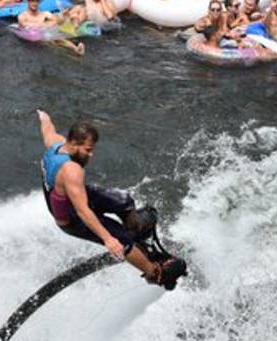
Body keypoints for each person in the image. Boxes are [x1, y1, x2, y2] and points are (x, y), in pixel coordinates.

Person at [37, 110, 184, 289]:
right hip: (71, 218)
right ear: (74, 143)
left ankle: (136, 232)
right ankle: (155, 273)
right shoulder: (71, 170)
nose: (91, 155)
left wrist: (43, 116)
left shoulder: (55, 144)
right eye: (88, 150)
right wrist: (108, 239)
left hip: (73, 196)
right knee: (122, 242)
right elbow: (83, 211)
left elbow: (47, 129)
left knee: (125, 201)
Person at [18, 0, 85, 55]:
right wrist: (45, 24)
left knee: (54, 35)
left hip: (47, 35)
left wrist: (65, 16)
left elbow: (56, 21)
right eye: (32, 0)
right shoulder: (22, 16)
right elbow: (25, 25)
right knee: (49, 38)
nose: (34, 3)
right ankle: (69, 50)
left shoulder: (45, 14)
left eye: (36, 1)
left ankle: (75, 49)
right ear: (28, 1)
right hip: (33, 41)